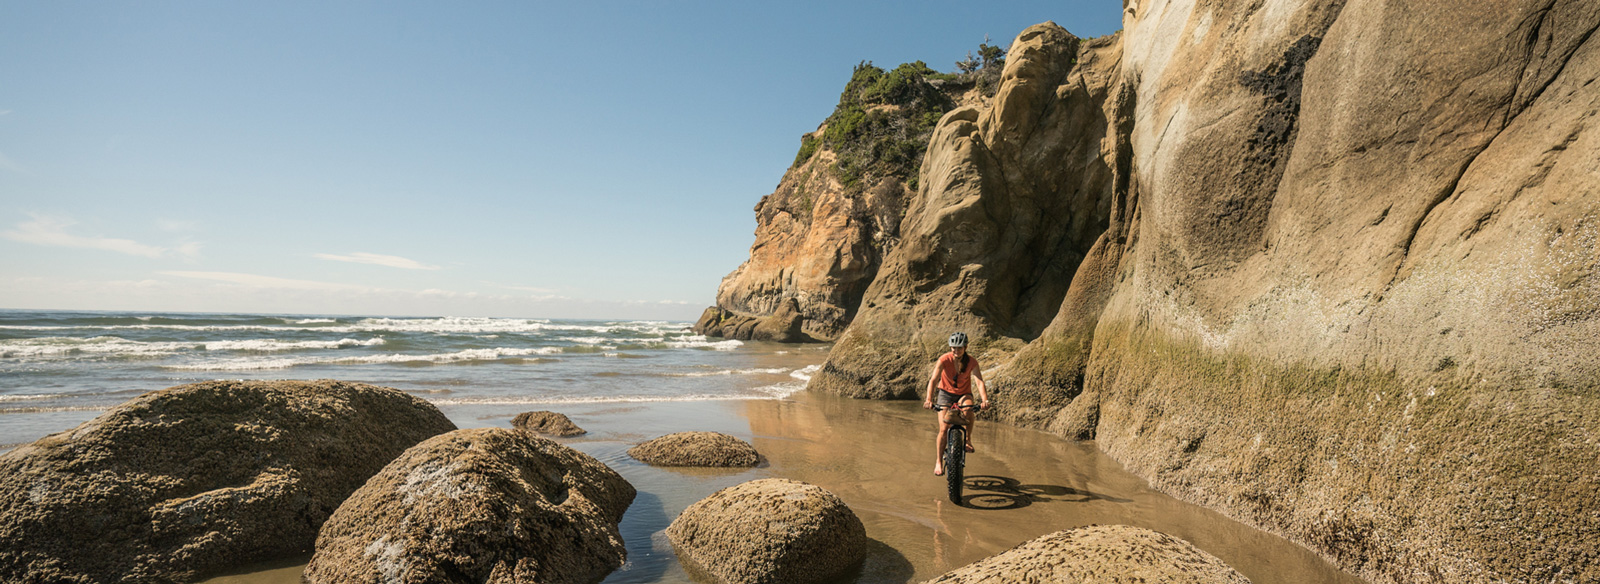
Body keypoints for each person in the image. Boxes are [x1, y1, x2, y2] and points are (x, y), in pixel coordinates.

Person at [922, 332, 989, 476]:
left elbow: (978, 381)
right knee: (944, 428)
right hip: (945, 394)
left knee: (969, 409)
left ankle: (968, 440)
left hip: (963, 394)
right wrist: (929, 399)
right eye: (953, 348)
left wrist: (985, 400)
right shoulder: (944, 359)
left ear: (965, 347)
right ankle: (939, 461)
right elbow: (934, 380)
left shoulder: (972, 362)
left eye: (959, 348)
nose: (956, 351)